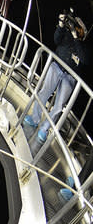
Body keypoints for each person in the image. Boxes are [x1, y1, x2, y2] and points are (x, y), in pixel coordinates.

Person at [24, 8, 90, 144]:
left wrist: (77, 38)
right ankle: (35, 118)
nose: (75, 28)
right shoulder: (66, 34)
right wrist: (61, 24)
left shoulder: (84, 46)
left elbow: (84, 59)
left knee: (59, 105)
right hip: (56, 67)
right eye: (75, 25)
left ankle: (45, 129)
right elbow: (56, 40)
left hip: (70, 77)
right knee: (44, 92)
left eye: (79, 26)